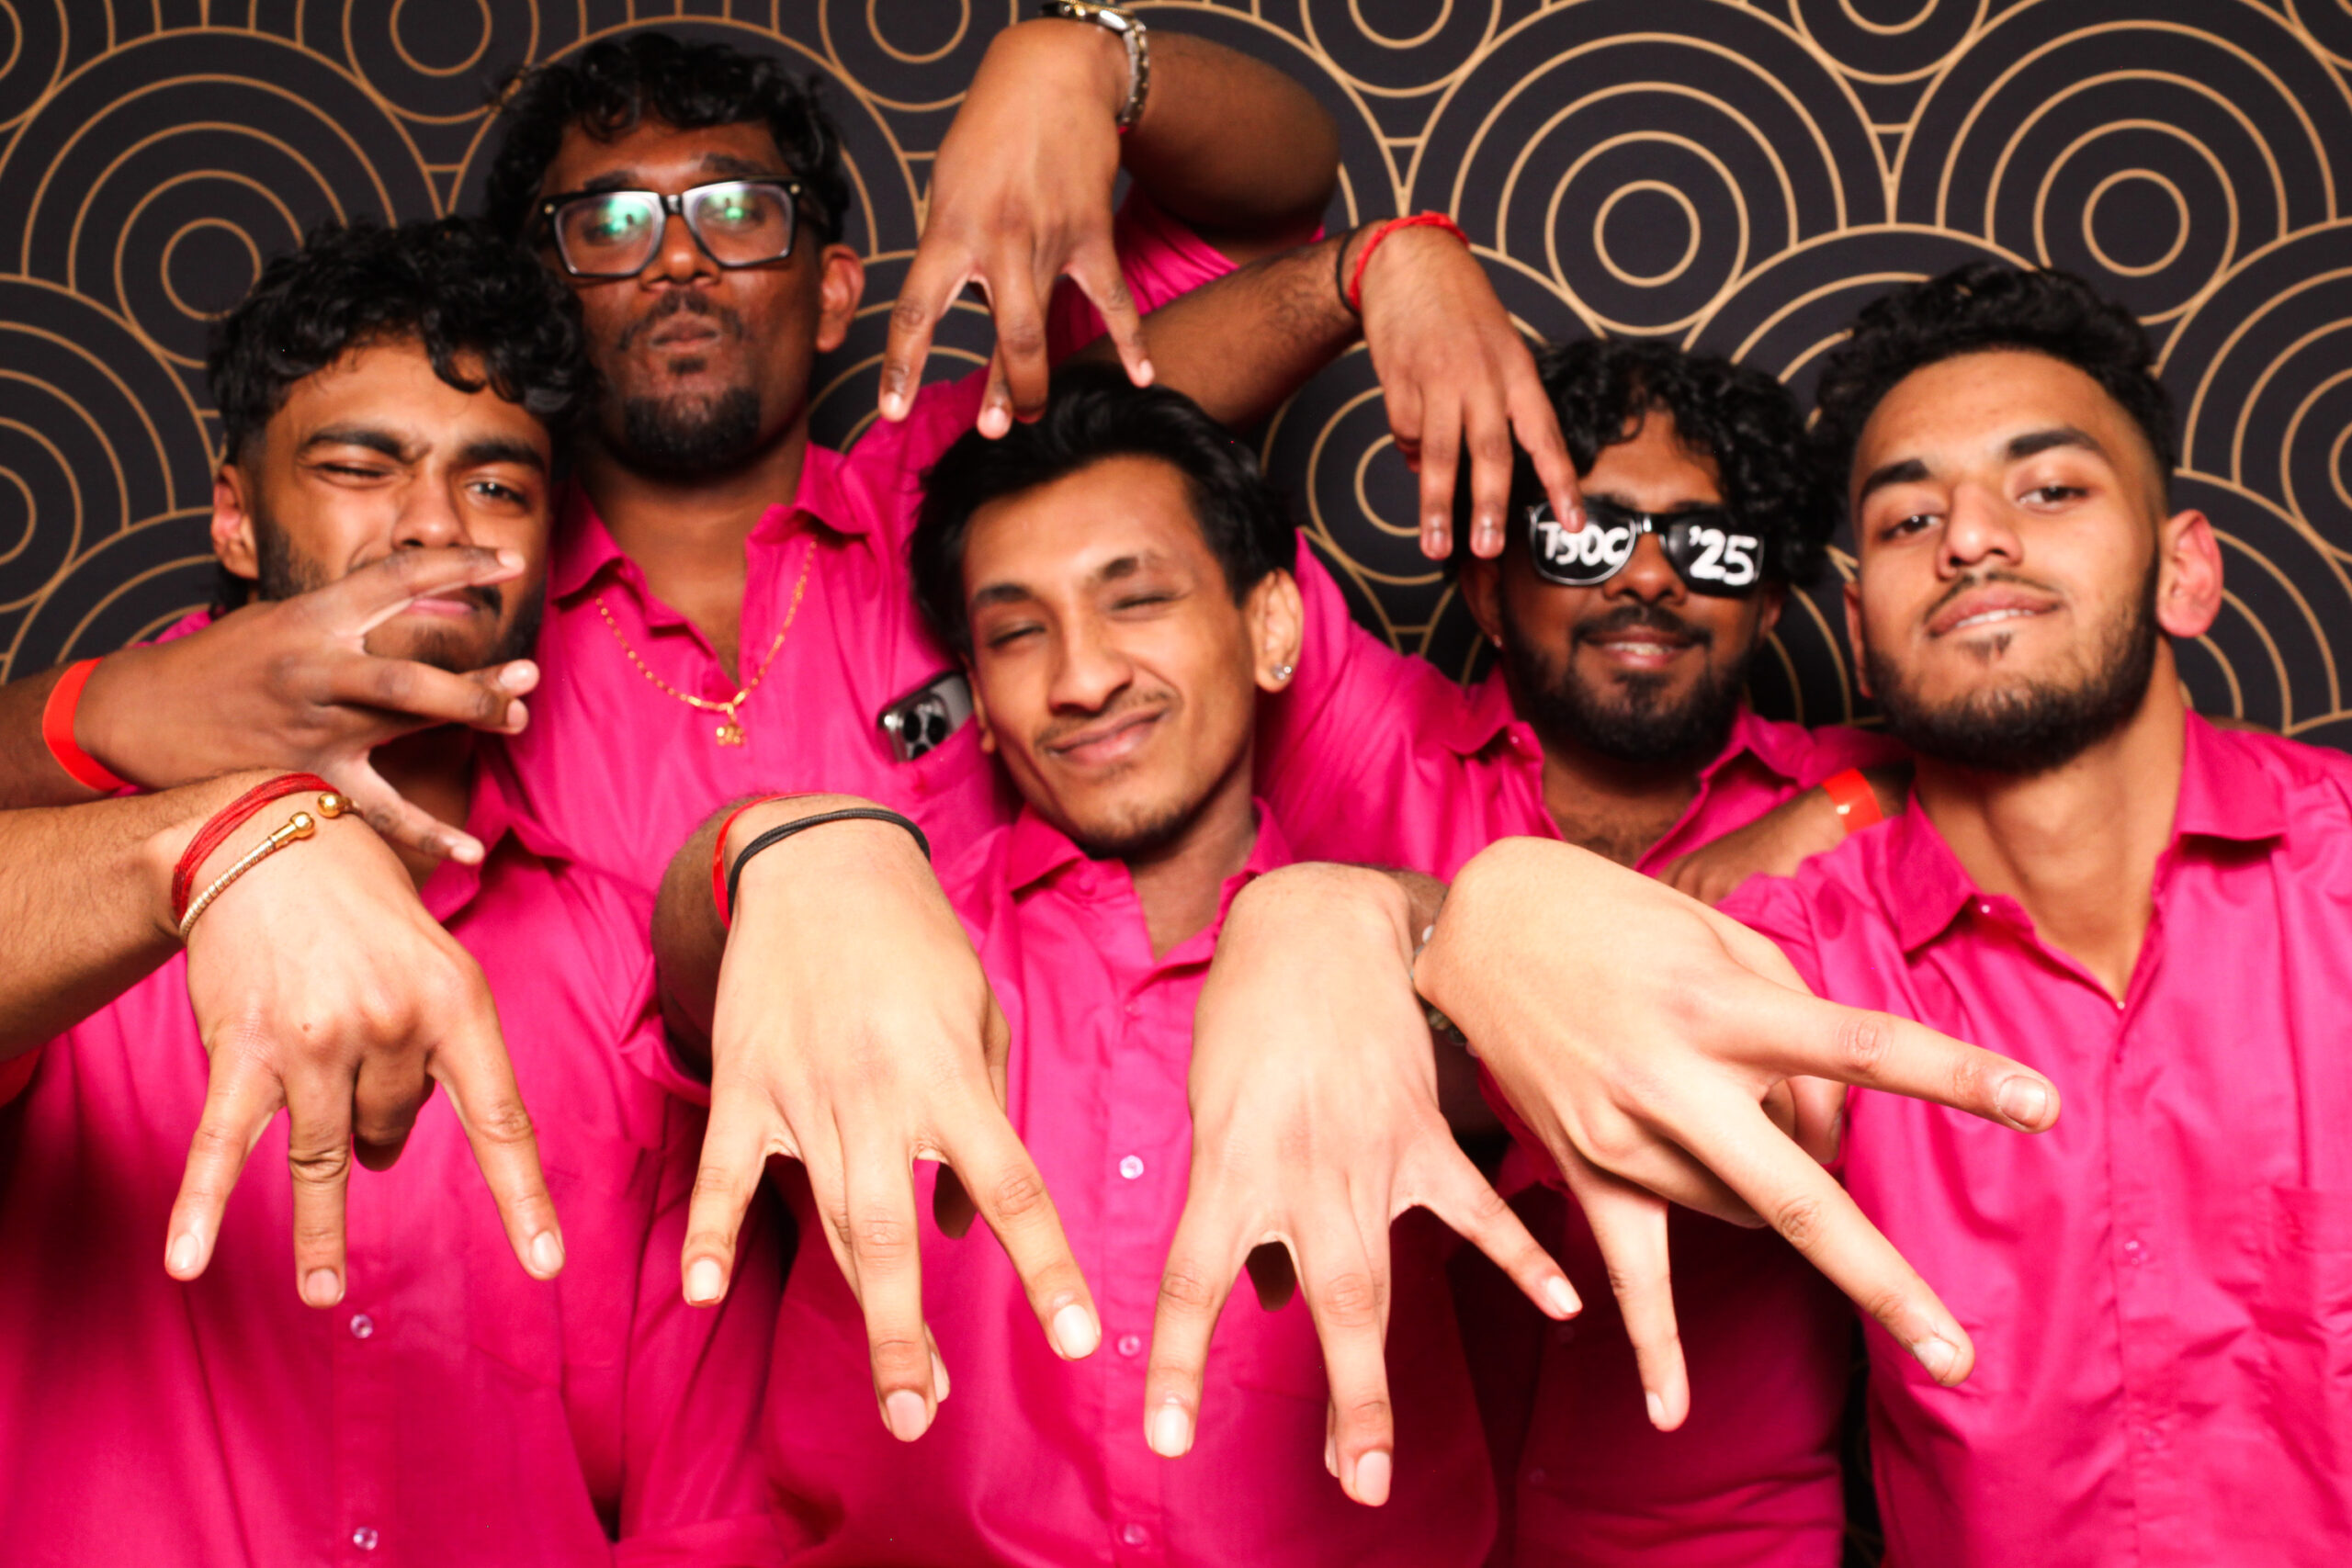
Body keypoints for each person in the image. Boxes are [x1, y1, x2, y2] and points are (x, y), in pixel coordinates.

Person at [1408, 262, 2352, 1566]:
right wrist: (1356, 923)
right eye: (1911, 518)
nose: (1971, 540)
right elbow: (1526, 1077)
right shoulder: (1797, 959)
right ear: (1861, 627)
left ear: (2185, 572)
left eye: (2049, 489)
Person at [649, 371, 1568, 1560]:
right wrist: (782, 846)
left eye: (1135, 601)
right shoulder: (874, 951)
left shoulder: (1372, 966)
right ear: (980, 700)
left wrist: (1401, 915)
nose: (1081, 678)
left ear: (1272, 629)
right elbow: (697, 966)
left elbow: (1536, 1021)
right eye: (1017, 633)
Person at [0, 220, 780, 1564]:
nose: (434, 523)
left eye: (498, 484)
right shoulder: (53, 868)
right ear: (235, 516)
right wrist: (226, 837)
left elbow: (701, 1501)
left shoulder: (615, 963)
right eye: (362, 467)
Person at [1261, 337, 1913, 1564]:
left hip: (1725, 1540)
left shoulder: (1845, 808)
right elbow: (1129, 470)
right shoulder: (1356, 741)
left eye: (1710, 548)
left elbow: (2013, 752)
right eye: (1584, 533)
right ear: (1487, 591)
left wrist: (1829, 810)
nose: (1650, 577)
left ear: (1770, 604)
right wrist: (1376, 272)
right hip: (1362, 1524)